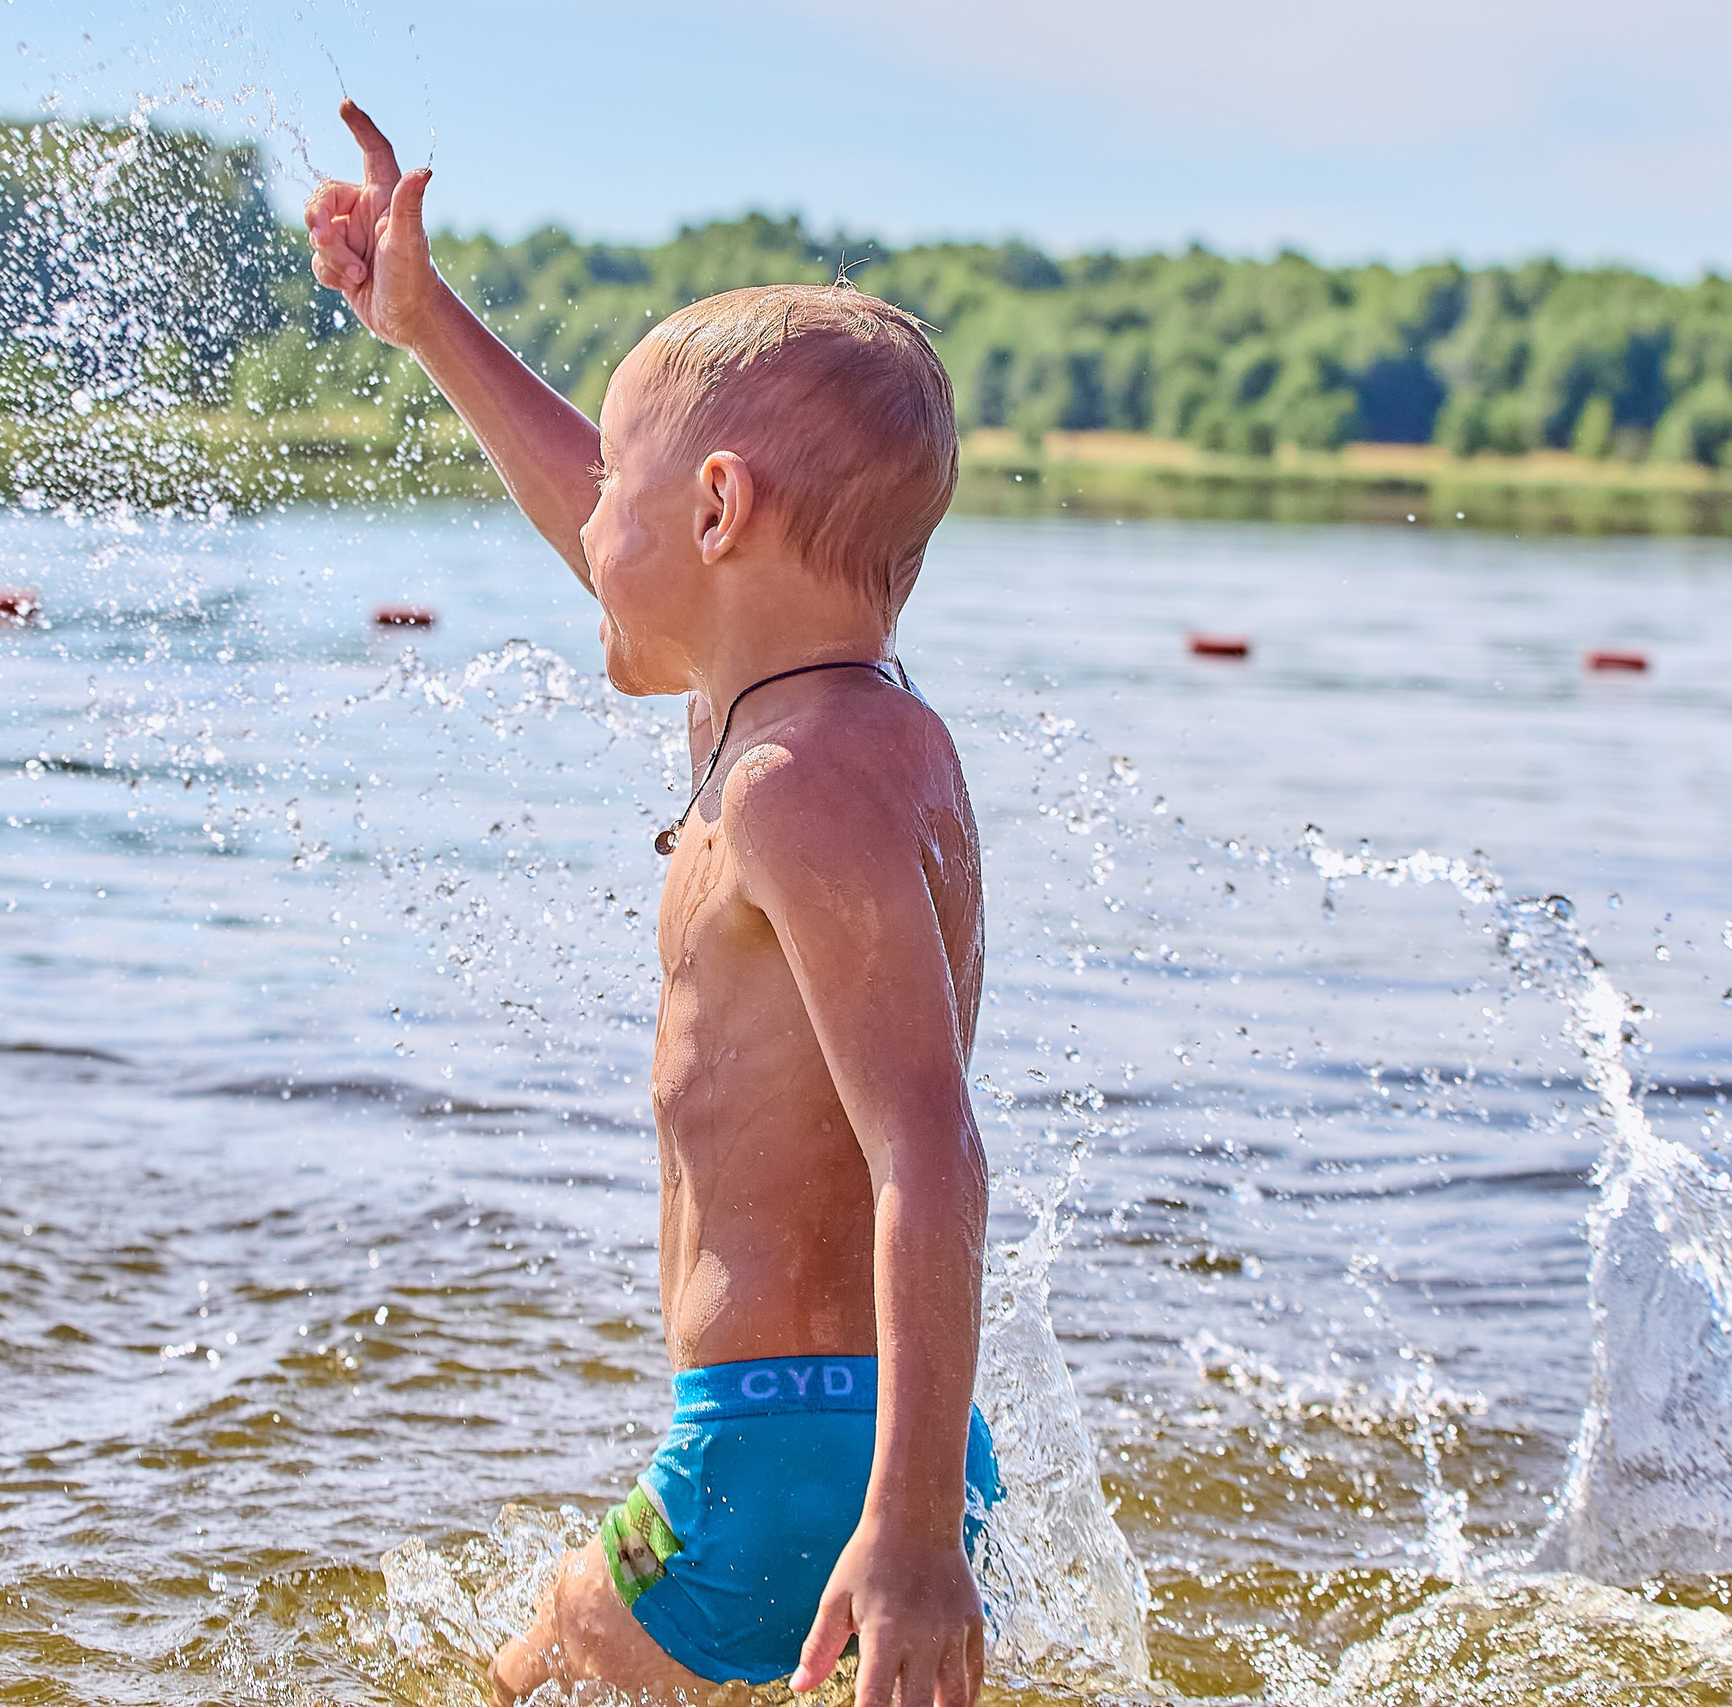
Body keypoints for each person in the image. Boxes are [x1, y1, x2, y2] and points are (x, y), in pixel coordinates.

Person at [305, 102, 995, 1707]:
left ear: (717, 513)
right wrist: (423, 324)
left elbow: (933, 1151)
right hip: (891, 1438)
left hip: (782, 1463)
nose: (584, 520)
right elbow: (616, 545)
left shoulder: (784, 783)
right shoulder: (831, 725)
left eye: (622, 481)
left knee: (514, 1681)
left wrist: (898, 1538)